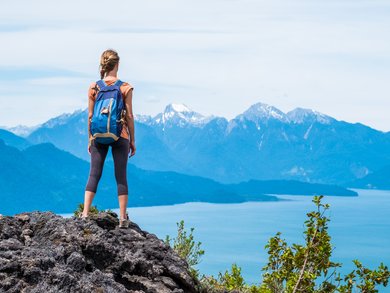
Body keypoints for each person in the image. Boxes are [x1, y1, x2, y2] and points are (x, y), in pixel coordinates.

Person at [81, 49, 136, 228]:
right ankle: (122, 218)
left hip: (98, 134)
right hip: (120, 135)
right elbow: (129, 116)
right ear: (117, 65)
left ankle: (85, 213)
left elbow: (90, 115)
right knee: (121, 175)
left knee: (94, 173)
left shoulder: (94, 87)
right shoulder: (125, 87)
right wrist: (133, 140)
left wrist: (91, 138)